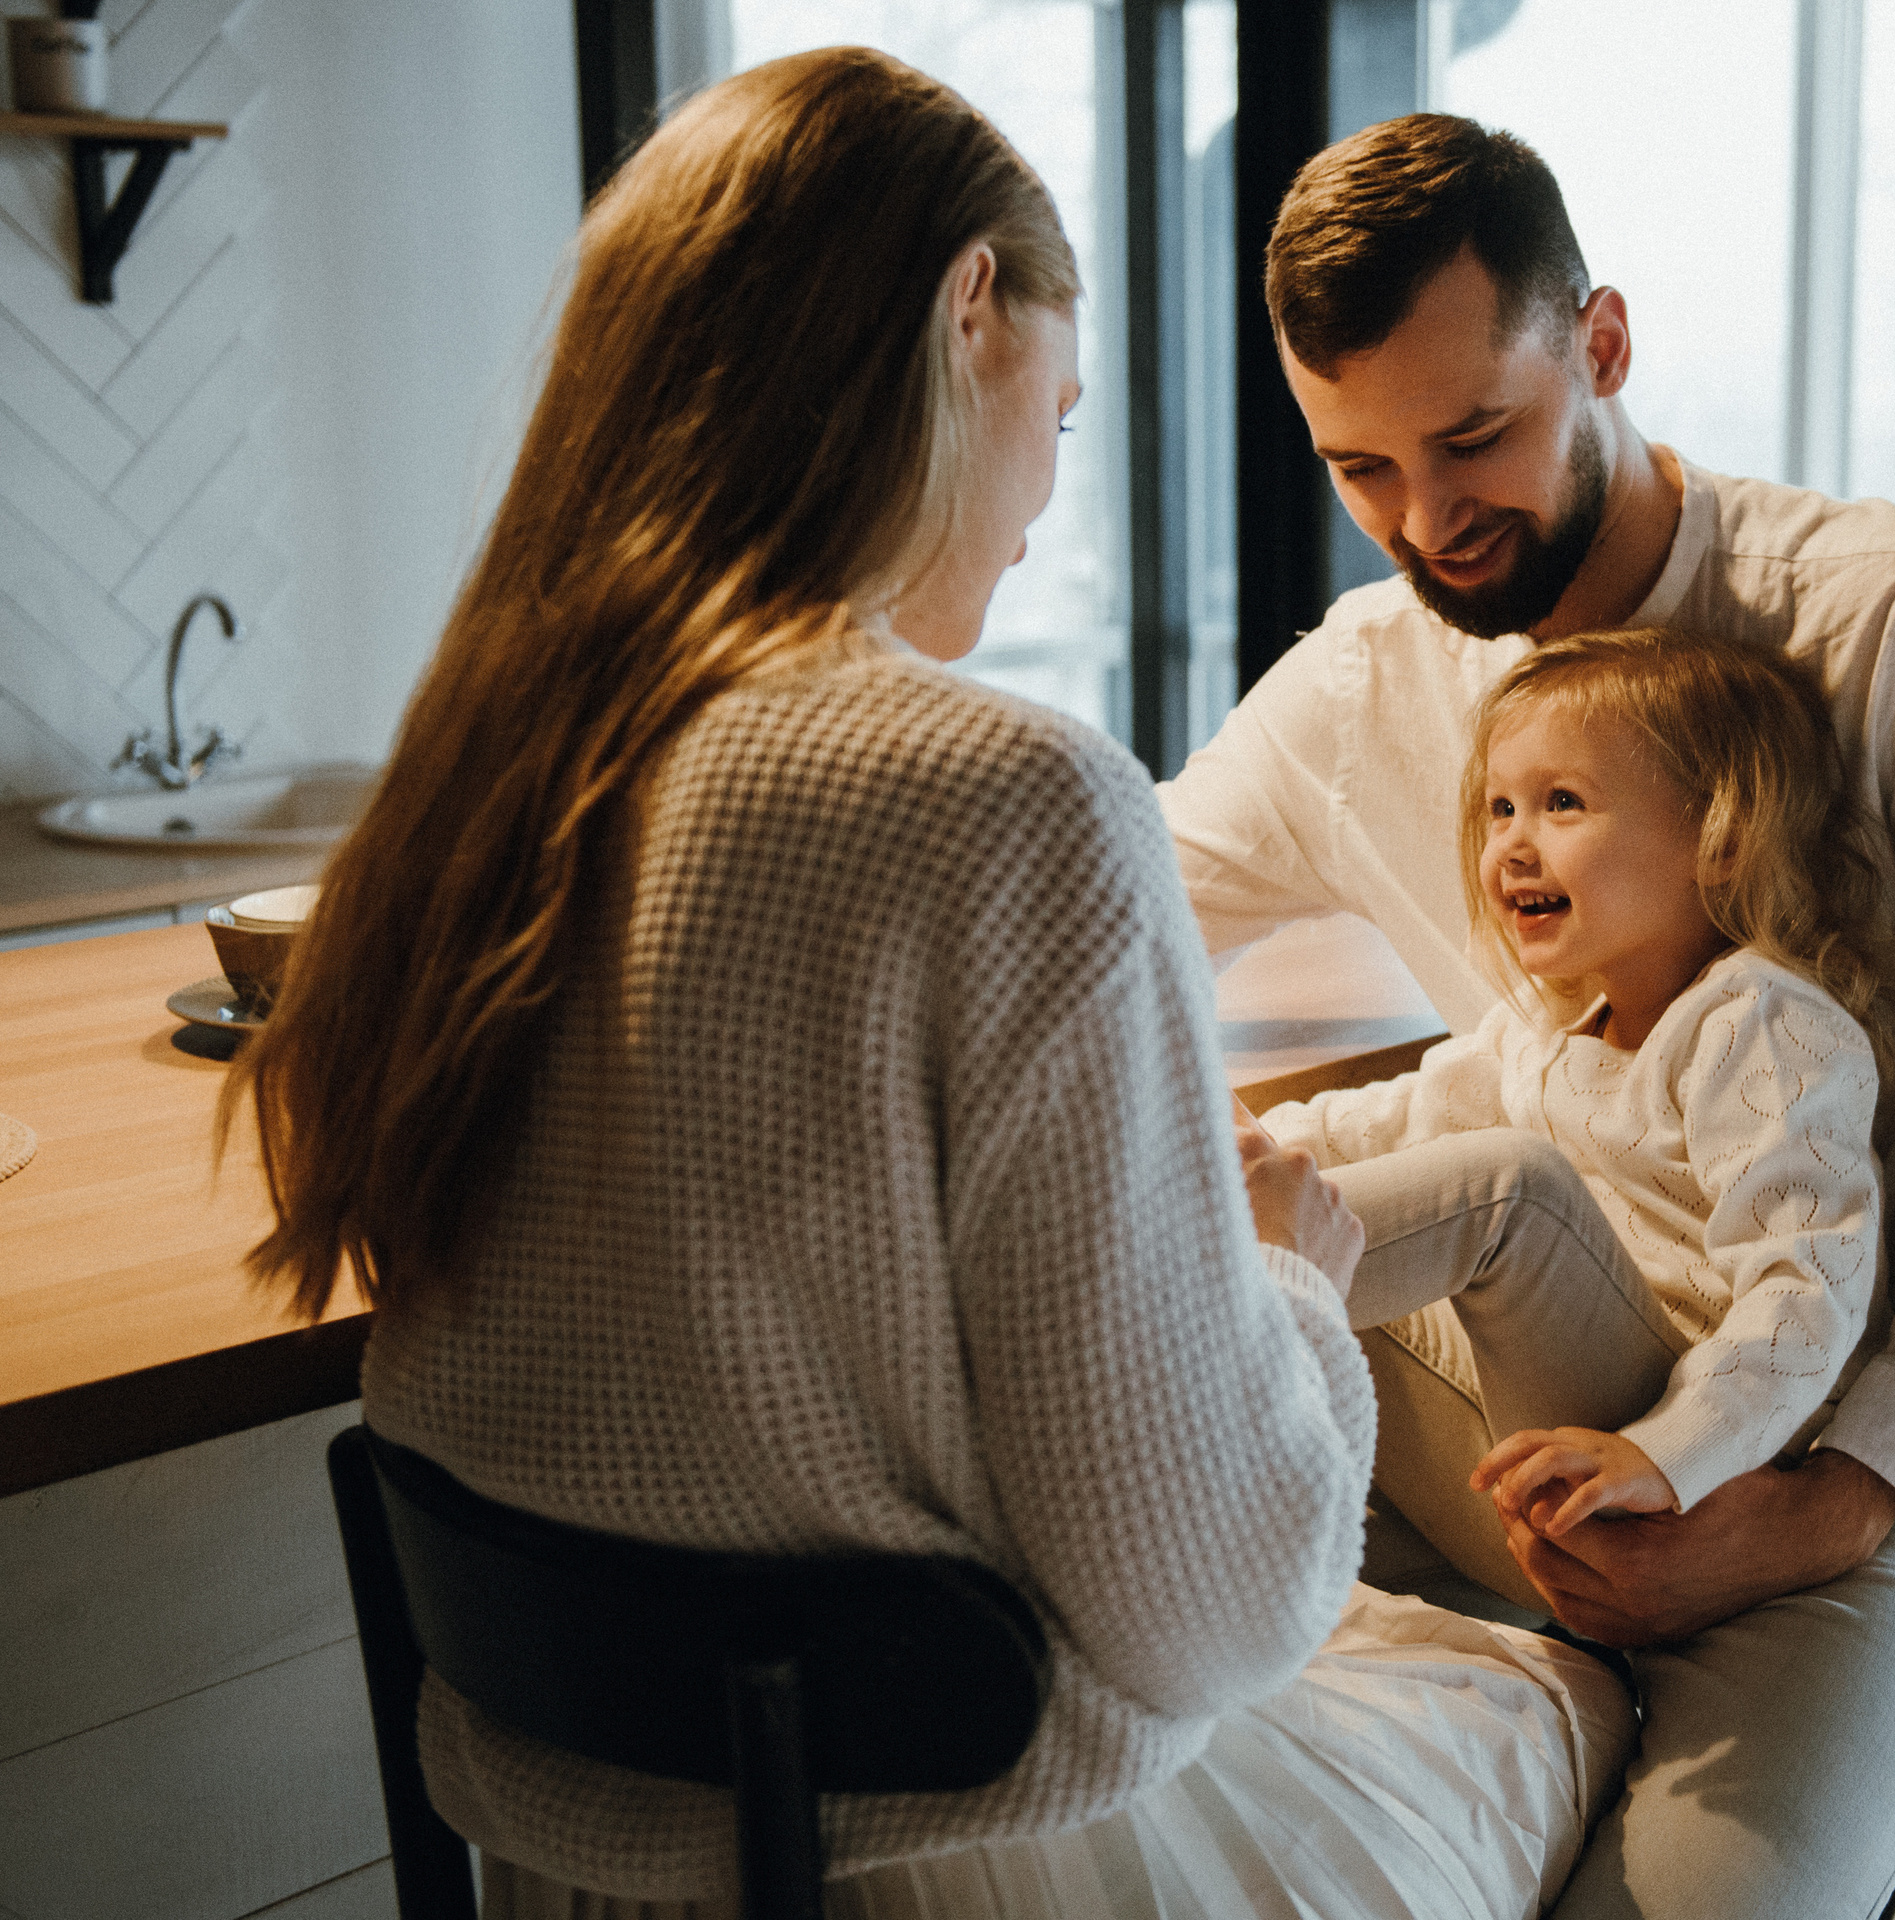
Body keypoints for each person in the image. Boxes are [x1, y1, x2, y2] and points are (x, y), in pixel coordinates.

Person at [228, 57, 1631, 1919]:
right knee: (1566, 1697)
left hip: (570, 1850)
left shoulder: (470, 784)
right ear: (968, 311)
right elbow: (1200, 1608)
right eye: (1058, 404)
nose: (1051, 489)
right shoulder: (1004, 794)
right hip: (957, 1855)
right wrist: (1290, 1282)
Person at [1161, 112, 1895, 1918]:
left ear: (1605, 347)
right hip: (1561, 1380)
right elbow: (1096, 914)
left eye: (1476, 436)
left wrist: (1829, 1501)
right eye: (1362, 468)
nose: (1428, 522)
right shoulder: (1358, 685)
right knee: (1252, 1822)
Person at [1251, 626, 1895, 1607]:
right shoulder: (1547, 1031)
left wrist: (1663, 1457)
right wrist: (1236, 1147)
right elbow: (1383, 1125)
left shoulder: (1764, 1026)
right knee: (1328, 1239)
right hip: (1539, 1479)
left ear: (1720, 839)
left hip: (1666, 1471)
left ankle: (1154, 1286)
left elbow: (1804, 1292)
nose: (1512, 844)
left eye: (1560, 803)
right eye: (1498, 808)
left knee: (1508, 1190)